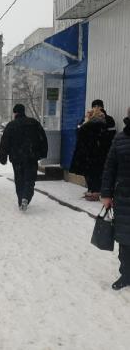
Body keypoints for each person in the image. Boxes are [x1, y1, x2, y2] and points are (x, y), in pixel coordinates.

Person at [0, 104, 48, 211]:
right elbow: (43, 138)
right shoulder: (34, 123)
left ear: (15, 113)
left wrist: (3, 157)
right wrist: (43, 153)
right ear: (24, 111)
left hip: (16, 158)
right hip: (31, 157)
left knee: (19, 179)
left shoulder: (11, 125)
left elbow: (4, 142)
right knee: (30, 179)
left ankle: (21, 198)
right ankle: (26, 197)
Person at [102, 107, 130, 290]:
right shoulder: (120, 138)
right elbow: (110, 167)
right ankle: (126, 275)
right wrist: (106, 194)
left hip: (122, 195)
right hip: (124, 197)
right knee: (125, 240)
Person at [70, 101, 110, 201]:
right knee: (97, 172)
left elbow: (80, 137)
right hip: (100, 154)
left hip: (87, 154)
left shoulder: (86, 126)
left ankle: (92, 191)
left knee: (90, 173)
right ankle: (95, 191)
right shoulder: (103, 126)